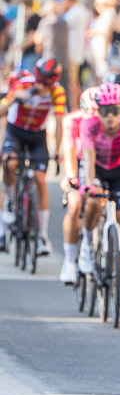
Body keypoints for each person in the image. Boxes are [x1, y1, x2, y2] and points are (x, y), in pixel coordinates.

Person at [75, 83, 120, 304]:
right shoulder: (89, 125)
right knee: (94, 203)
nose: (110, 117)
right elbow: (87, 157)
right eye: (104, 112)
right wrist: (88, 184)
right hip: (96, 169)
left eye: (115, 110)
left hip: (119, 171)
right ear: (98, 111)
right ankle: (87, 246)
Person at [0, 59, 66, 254]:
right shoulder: (24, 84)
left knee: (40, 178)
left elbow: (60, 122)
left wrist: (57, 151)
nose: (41, 86)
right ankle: (11, 201)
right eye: (40, 80)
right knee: (10, 163)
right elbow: (2, 109)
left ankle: (42, 236)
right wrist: (14, 98)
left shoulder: (57, 92)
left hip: (38, 135)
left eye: (47, 83)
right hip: (16, 131)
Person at [57, 88, 98, 280]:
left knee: (101, 200)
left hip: (103, 163)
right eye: (91, 113)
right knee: (74, 204)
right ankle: (69, 261)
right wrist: (72, 177)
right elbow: (70, 150)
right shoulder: (72, 121)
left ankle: (101, 243)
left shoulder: (112, 120)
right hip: (81, 161)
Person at [60, 0, 90, 107]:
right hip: (79, 52)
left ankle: (75, 107)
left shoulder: (74, 12)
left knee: (73, 82)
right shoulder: (82, 10)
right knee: (75, 82)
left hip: (74, 53)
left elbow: (63, 25)